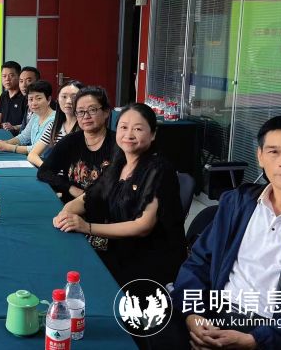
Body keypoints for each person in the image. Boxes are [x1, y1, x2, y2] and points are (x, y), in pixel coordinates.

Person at [168, 115, 281, 349]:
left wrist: (256, 341)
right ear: (260, 156)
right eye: (273, 151)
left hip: (277, 332)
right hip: (212, 314)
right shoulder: (238, 203)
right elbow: (199, 262)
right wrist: (193, 315)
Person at [53, 103, 187, 288]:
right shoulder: (118, 164)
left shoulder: (159, 170)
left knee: (81, 278)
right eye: (123, 127)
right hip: (117, 248)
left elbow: (142, 226)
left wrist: (87, 227)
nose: (129, 135)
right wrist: (66, 214)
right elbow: (87, 199)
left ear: (153, 134)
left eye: (138, 129)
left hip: (147, 261)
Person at [37, 86, 115, 203]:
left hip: (103, 208)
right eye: (80, 111)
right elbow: (44, 172)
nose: (86, 116)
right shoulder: (70, 141)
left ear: (106, 112)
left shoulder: (118, 144)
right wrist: (70, 188)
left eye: (92, 110)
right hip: (70, 206)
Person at [0, 80, 55, 155]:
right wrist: (5, 142)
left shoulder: (54, 121)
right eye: (30, 99)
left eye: (39, 98)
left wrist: (8, 147)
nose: (34, 103)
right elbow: (24, 137)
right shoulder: (35, 115)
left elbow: (36, 150)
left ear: (48, 100)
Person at [27, 80, 83, 167]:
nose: (68, 101)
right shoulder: (55, 126)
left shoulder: (86, 127)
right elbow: (32, 155)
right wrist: (47, 168)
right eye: (64, 96)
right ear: (58, 100)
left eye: (74, 97)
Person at [0, 61, 25, 135]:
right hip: (3, 136)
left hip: (20, 137)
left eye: (11, 75)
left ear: (19, 76)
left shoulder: (25, 97)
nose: (7, 79)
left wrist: (14, 127)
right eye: (4, 76)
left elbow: (30, 123)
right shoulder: (4, 95)